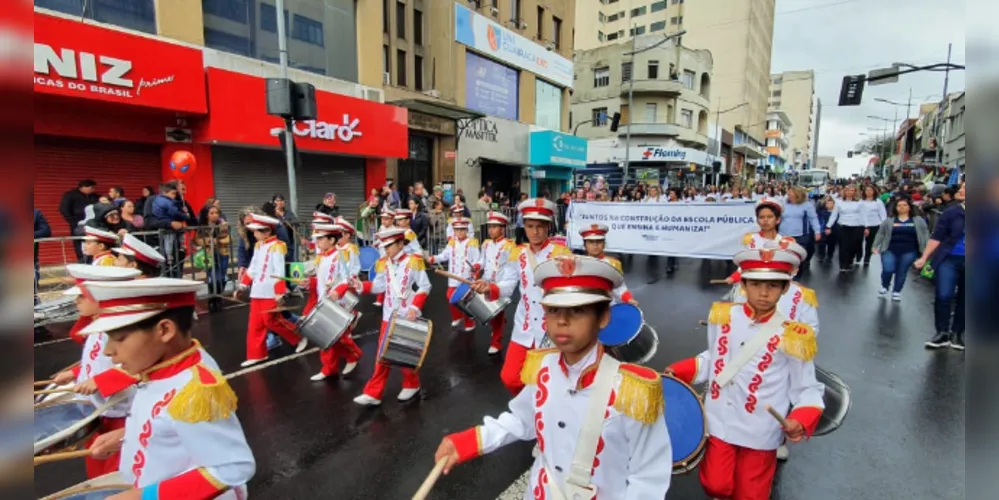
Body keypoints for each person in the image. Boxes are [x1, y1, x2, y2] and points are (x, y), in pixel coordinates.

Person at [434, 256, 672, 499]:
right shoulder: (543, 368)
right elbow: (523, 419)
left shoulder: (632, 392)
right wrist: (468, 442)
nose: (561, 321)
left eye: (577, 310)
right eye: (553, 309)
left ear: (603, 317)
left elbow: (648, 480)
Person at [665, 244, 825, 499]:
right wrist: (681, 371)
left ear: (785, 288)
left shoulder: (795, 335)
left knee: (751, 494)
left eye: (773, 286)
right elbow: (715, 359)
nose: (763, 293)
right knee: (715, 485)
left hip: (761, 428)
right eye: (755, 284)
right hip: (720, 420)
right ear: (743, 285)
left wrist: (802, 419)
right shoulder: (723, 315)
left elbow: (807, 388)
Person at [77, 277, 255, 499]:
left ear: (164, 330)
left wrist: (145, 497)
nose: (108, 351)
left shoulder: (194, 390)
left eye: (120, 339)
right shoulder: (167, 364)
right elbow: (171, 422)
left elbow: (233, 467)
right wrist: (129, 435)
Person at [47, 265, 141, 478]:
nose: (76, 302)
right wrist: (75, 372)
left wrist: (102, 380)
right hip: (99, 410)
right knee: (98, 474)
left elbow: (144, 365)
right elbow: (97, 359)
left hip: (123, 413)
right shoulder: (98, 324)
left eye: (82, 296)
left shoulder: (124, 328)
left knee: (120, 475)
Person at [348, 228, 432, 405]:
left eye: (390, 245)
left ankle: (412, 384)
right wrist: (361, 285)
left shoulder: (413, 261)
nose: (386, 249)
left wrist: (414, 308)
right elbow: (379, 286)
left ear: (401, 244)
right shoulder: (383, 263)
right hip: (388, 316)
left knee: (404, 353)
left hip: (407, 315)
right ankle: (374, 393)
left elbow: (425, 286)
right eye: (384, 246)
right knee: (382, 355)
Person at [499, 198, 572, 395]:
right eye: (530, 226)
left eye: (540, 226)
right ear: (524, 226)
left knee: (550, 383)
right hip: (524, 327)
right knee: (511, 378)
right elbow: (508, 285)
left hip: (552, 331)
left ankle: (543, 416)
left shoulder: (561, 253)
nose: (535, 231)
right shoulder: (518, 254)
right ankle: (531, 408)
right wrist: (490, 288)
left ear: (548, 226)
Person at [234, 214, 308, 367]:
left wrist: (279, 292)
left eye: (256, 231)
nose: (254, 234)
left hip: (270, 291)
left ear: (267, 231)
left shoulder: (277, 246)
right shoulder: (259, 245)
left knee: (271, 321)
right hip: (257, 291)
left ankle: (299, 336)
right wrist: (242, 285)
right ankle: (257, 354)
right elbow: (253, 268)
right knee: (255, 324)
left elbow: (279, 271)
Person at [304, 223, 363, 381]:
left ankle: (354, 355)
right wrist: (308, 283)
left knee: (341, 336)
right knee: (326, 335)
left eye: (320, 238)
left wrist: (338, 290)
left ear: (331, 240)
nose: (317, 242)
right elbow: (320, 279)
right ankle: (328, 368)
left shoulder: (340, 255)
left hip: (338, 301)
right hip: (324, 300)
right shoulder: (321, 256)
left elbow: (347, 278)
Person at [915, 182, 965, 350]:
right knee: (944, 295)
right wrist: (924, 257)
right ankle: (942, 333)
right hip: (949, 259)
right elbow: (937, 236)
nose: (963, 190)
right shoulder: (951, 213)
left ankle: (957, 333)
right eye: (962, 188)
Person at [470, 211, 517, 355]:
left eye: (495, 227)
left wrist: (503, 285)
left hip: (500, 284)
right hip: (486, 282)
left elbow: (512, 269)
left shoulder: (509, 246)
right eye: (489, 226)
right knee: (489, 311)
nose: (491, 230)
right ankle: (499, 323)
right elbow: (482, 261)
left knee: (496, 314)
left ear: (502, 228)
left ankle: (496, 342)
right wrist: (477, 266)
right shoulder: (486, 244)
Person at [427, 217, 481, 332]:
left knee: (466, 301)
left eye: (462, 229)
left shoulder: (472, 242)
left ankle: (470, 322)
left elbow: (478, 259)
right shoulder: (452, 243)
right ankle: (457, 316)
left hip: (466, 277)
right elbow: (444, 256)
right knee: (450, 296)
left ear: (466, 230)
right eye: (457, 230)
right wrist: (433, 259)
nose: (459, 232)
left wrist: (475, 267)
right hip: (453, 277)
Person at [871, 198, 929, 302]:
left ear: (909, 207)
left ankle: (896, 291)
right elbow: (881, 233)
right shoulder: (889, 220)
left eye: (904, 205)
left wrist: (926, 249)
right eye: (899, 205)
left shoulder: (918, 220)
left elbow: (925, 234)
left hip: (909, 251)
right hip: (889, 249)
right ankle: (885, 285)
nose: (902, 207)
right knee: (887, 269)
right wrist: (875, 246)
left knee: (901, 271)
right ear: (895, 208)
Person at [577, 223, 639, 306]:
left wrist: (629, 299)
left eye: (599, 241)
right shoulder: (579, 263)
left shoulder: (613, 264)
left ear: (604, 244)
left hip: (608, 306)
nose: (595, 245)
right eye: (591, 242)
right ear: (585, 245)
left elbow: (620, 287)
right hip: (586, 306)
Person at [778, 186, 821, 275]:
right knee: (784, 257)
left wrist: (817, 231)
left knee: (798, 257)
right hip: (784, 235)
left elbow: (813, 218)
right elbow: (779, 218)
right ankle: (785, 277)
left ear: (798, 194)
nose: (789, 194)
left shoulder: (807, 205)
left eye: (791, 192)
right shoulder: (783, 204)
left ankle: (797, 276)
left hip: (801, 235)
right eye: (788, 192)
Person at [825, 184, 865, 272]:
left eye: (851, 190)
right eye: (847, 190)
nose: (849, 192)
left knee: (853, 246)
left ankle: (850, 260)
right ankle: (843, 265)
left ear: (855, 192)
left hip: (857, 226)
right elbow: (834, 215)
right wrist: (828, 226)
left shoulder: (860, 202)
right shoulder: (839, 202)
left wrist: (866, 226)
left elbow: (863, 215)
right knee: (843, 246)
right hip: (843, 226)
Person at [60, 179, 99, 262]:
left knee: (94, 244)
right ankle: (82, 262)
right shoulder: (70, 195)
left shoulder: (94, 196)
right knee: (80, 246)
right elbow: (64, 209)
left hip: (94, 225)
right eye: (92, 188)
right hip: (78, 225)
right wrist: (73, 223)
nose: (93, 190)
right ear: (84, 187)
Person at [859, 185, 888, 267]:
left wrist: (884, 224)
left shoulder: (878, 202)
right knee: (857, 241)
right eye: (867, 190)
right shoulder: (860, 201)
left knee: (870, 243)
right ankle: (858, 254)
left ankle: (867, 258)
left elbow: (883, 214)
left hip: (874, 224)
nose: (869, 192)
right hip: (861, 224)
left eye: (870, 190)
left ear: (874, 192)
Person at [815, 197, 837, 263]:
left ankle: (830, 255)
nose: (829, 205)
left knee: (831, 244)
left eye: (831, 203)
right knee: (822, 243)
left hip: (833, 230)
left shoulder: (835, 213)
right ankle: (821, 255)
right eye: (828, 203)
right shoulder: (822, 212)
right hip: (823, 229)